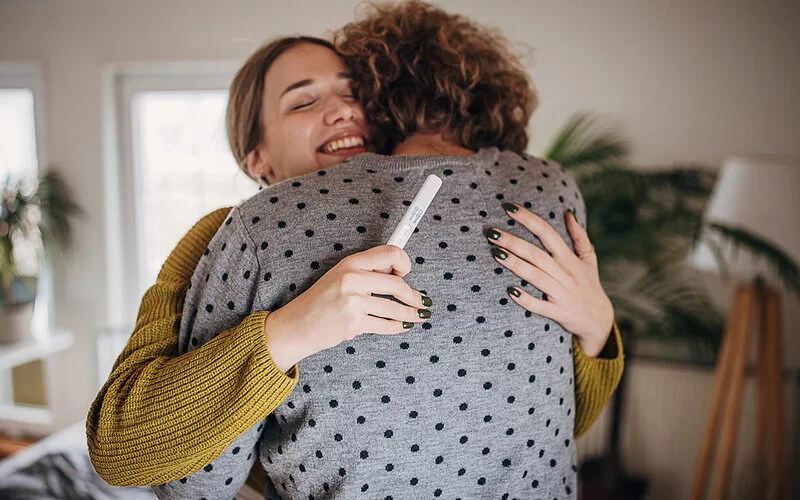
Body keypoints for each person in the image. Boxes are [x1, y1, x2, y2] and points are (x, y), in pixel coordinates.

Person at [86, 1, 623, 496]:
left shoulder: (414, 206)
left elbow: (539, 427)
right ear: (257, 158)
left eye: (353, 94)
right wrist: (291, 330)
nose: (343, 111)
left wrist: (597, 325)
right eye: (304, 101)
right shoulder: (228, 236)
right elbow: (131, 452)